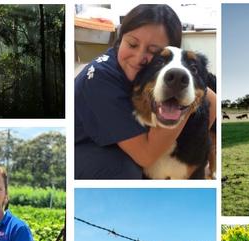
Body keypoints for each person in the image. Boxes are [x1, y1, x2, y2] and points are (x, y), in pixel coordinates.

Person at [75, 4, 217, 179]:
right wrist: (185, 107)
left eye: (153, 51)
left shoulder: (140, 71)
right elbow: (145, 155)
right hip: (83, 146)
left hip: (126, 137)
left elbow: (212, 99)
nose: (138, 57)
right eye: (132, 44)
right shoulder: (100, 80)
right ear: (120, 39)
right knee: (125, 169)